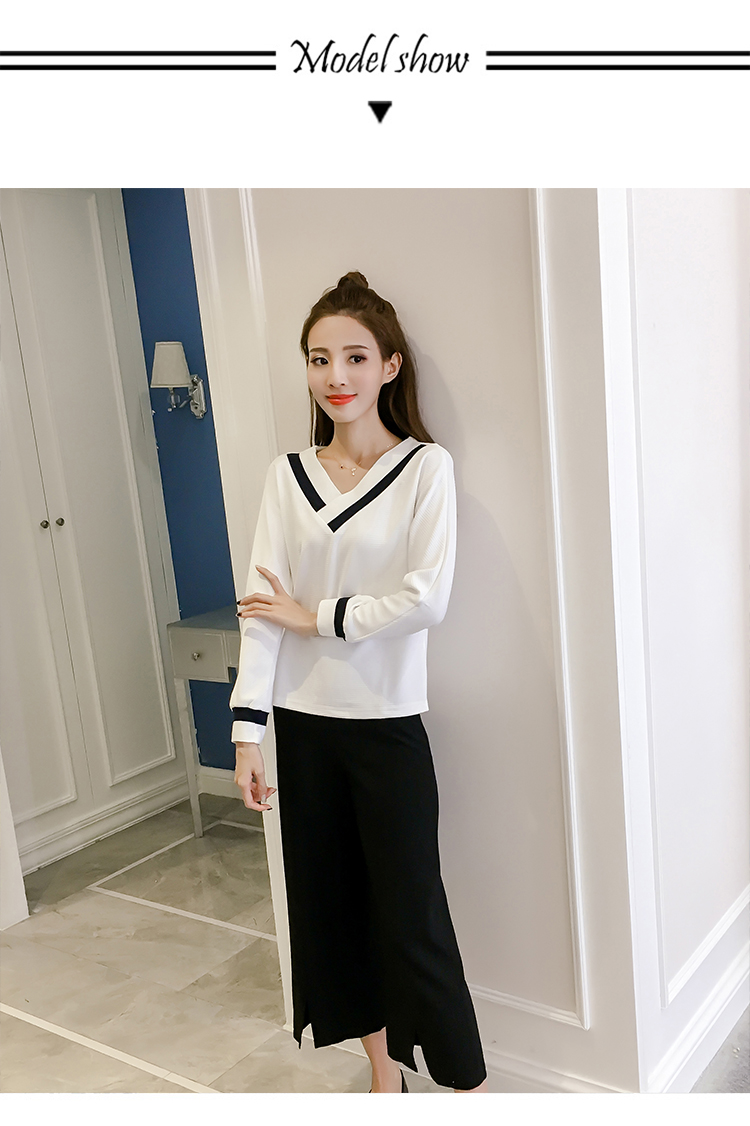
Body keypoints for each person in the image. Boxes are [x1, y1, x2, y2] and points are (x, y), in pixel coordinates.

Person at [230, 271, 488, 1094]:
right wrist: (247, 732)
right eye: (318, 359)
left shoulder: (425, 470)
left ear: (389, 365)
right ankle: (385, 1079)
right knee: (334, 915)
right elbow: (261, 609)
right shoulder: (286, 477)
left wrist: (319, 617)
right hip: (304, 730)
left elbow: (427, 599)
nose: (335, 375)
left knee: (413, 919)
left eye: (353, 357)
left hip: (385, 725)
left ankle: (470, 1088)